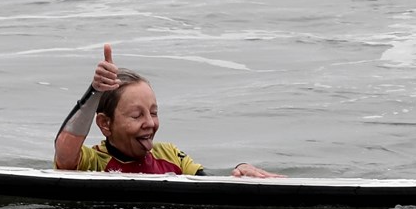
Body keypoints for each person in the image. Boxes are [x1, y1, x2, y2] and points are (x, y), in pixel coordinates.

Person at [54, 44, 283, 178]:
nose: (150, 123)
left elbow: (209, 183)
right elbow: (64, 153)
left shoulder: (170, 156)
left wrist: (238, 172)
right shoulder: (92, 162)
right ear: (105, 124)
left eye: (153, 113)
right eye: (136, 115)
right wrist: (95, 91)